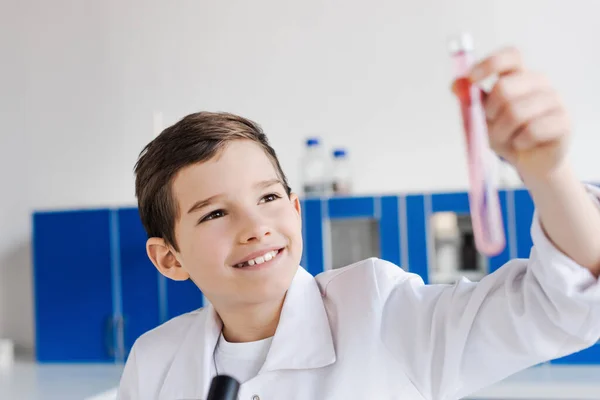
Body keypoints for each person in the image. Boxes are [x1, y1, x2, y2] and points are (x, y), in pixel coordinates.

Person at [117, 47, 600, 400]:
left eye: (268, 197)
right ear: (169, 258)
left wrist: (547, 172)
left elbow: (563, 307)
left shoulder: (384, 314)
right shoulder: (154, 359)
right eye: (216, 213)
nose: (255, 227)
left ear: (296, 209)